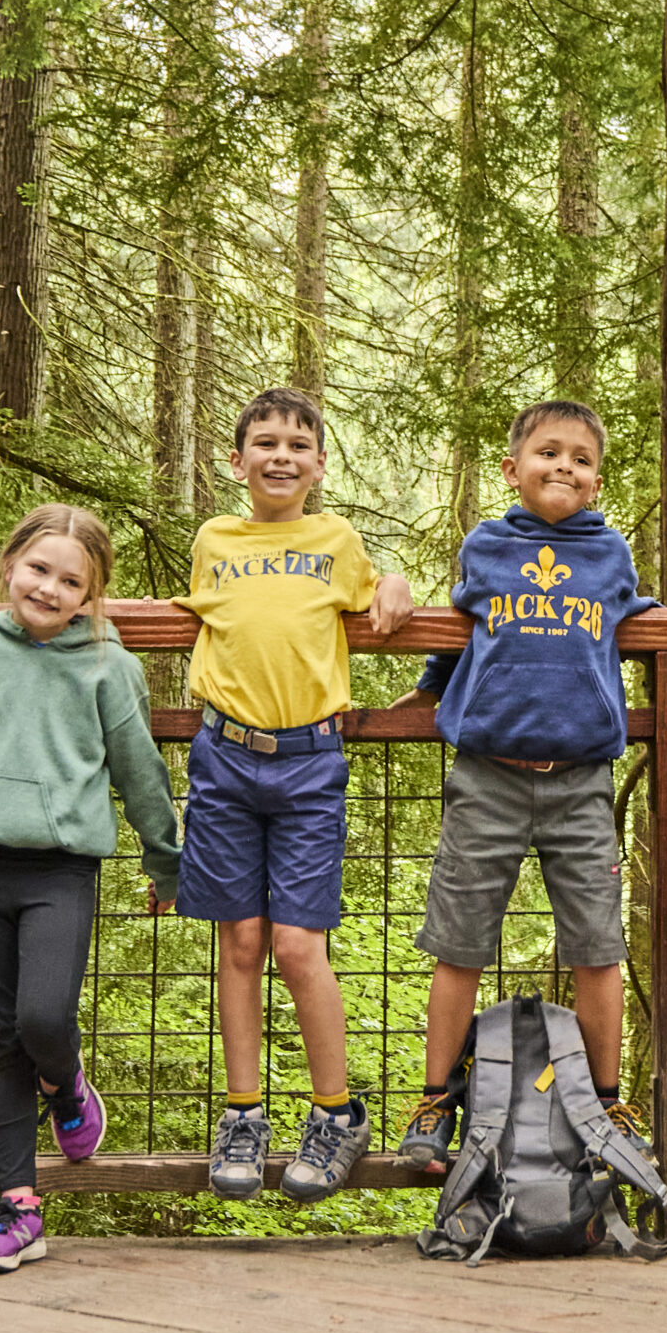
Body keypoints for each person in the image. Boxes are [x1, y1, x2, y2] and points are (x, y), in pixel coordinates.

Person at [0, 504, 181, 1273]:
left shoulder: (108, 667)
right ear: (10, 567)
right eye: (38, 570)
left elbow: (139, 772)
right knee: (0, 1035)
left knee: (42, 1016)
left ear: (92, 596)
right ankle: (18, 1208)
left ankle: (68, 1087)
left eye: (71, 581)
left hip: (62, 867)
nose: (50, 588)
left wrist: (166, 861)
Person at [390, 401, 657, 1175]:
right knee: (459, 944)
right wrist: (427, 690)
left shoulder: (610, 553)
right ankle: (436, 1102)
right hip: (488, 777)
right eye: (547, 453)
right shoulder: (488, 545)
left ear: (597, 481)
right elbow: (464, 627)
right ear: (513, 468)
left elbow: (627, 620)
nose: (563, 467)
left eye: (579, 458)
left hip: (579, 783)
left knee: (597, 949)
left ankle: (607, 1104)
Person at [176, 387, 413, 1203]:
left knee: (296, 947)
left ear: (319, 465)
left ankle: (336, 1113)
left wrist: (398, 582)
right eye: (265, 443)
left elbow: (377, 593)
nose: (281, 455)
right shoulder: (214, 539)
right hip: (224, 756)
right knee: (239, 943)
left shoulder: (335, 539)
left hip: (310, 759)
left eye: (298, 445)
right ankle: (243, 1114)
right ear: (237, 460)